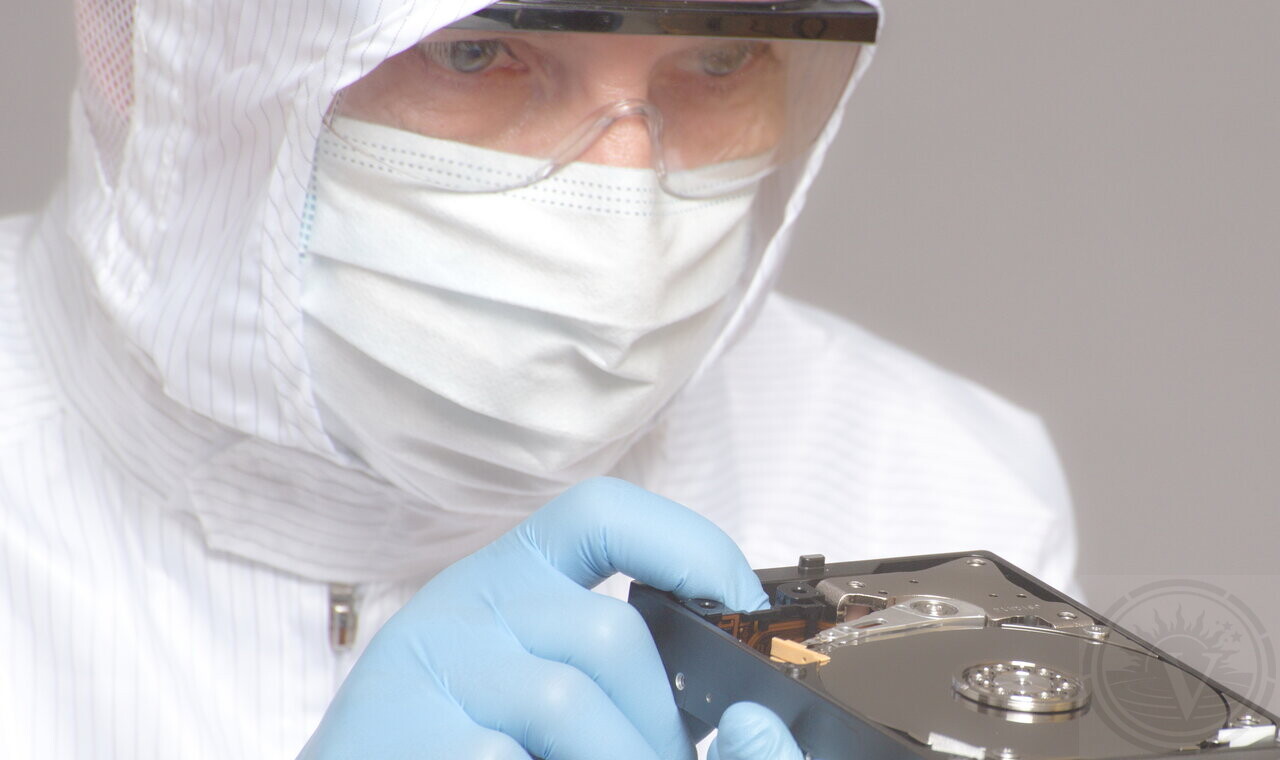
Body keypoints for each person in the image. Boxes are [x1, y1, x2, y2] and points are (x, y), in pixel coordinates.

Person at [0, 0, 1078, 757]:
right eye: (473, 52)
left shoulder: (946, 498)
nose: (623, 197)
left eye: (718, 60)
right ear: (162, 50)